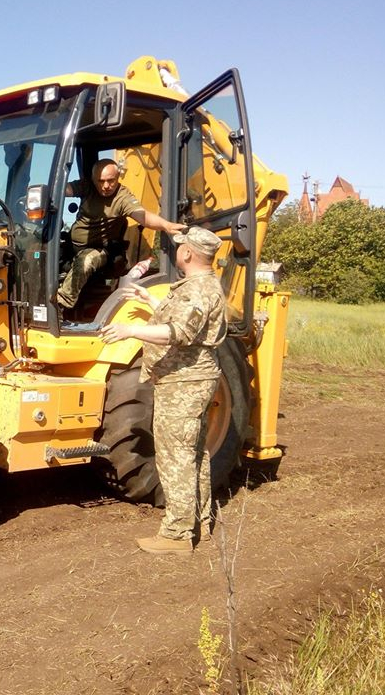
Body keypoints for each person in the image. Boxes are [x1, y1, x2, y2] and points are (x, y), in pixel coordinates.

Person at [98, 226, 227, 555]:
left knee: (175, 457)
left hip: (184, 383)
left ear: (187, 253)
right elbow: (186, 319)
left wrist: (131, 330)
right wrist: (150, 299)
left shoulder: (198, 290)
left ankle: (176, 534)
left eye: (181, 247)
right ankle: (200, 522)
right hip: (188, 380)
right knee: (195, 454)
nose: (178, 251)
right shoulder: (200, 287)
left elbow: (180, 331)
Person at [56, 159, 185, 316]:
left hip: (100, 249)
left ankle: (60, 305)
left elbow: (143, 216)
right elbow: (64, 189)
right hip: (72, 245)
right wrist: (51, 190)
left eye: (111, 180)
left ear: (118, 177)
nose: (106, 186)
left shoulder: (122, 197)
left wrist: (166, 225)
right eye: (101, 181)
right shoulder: (87, 187)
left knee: (86, 261)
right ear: (93, 179)